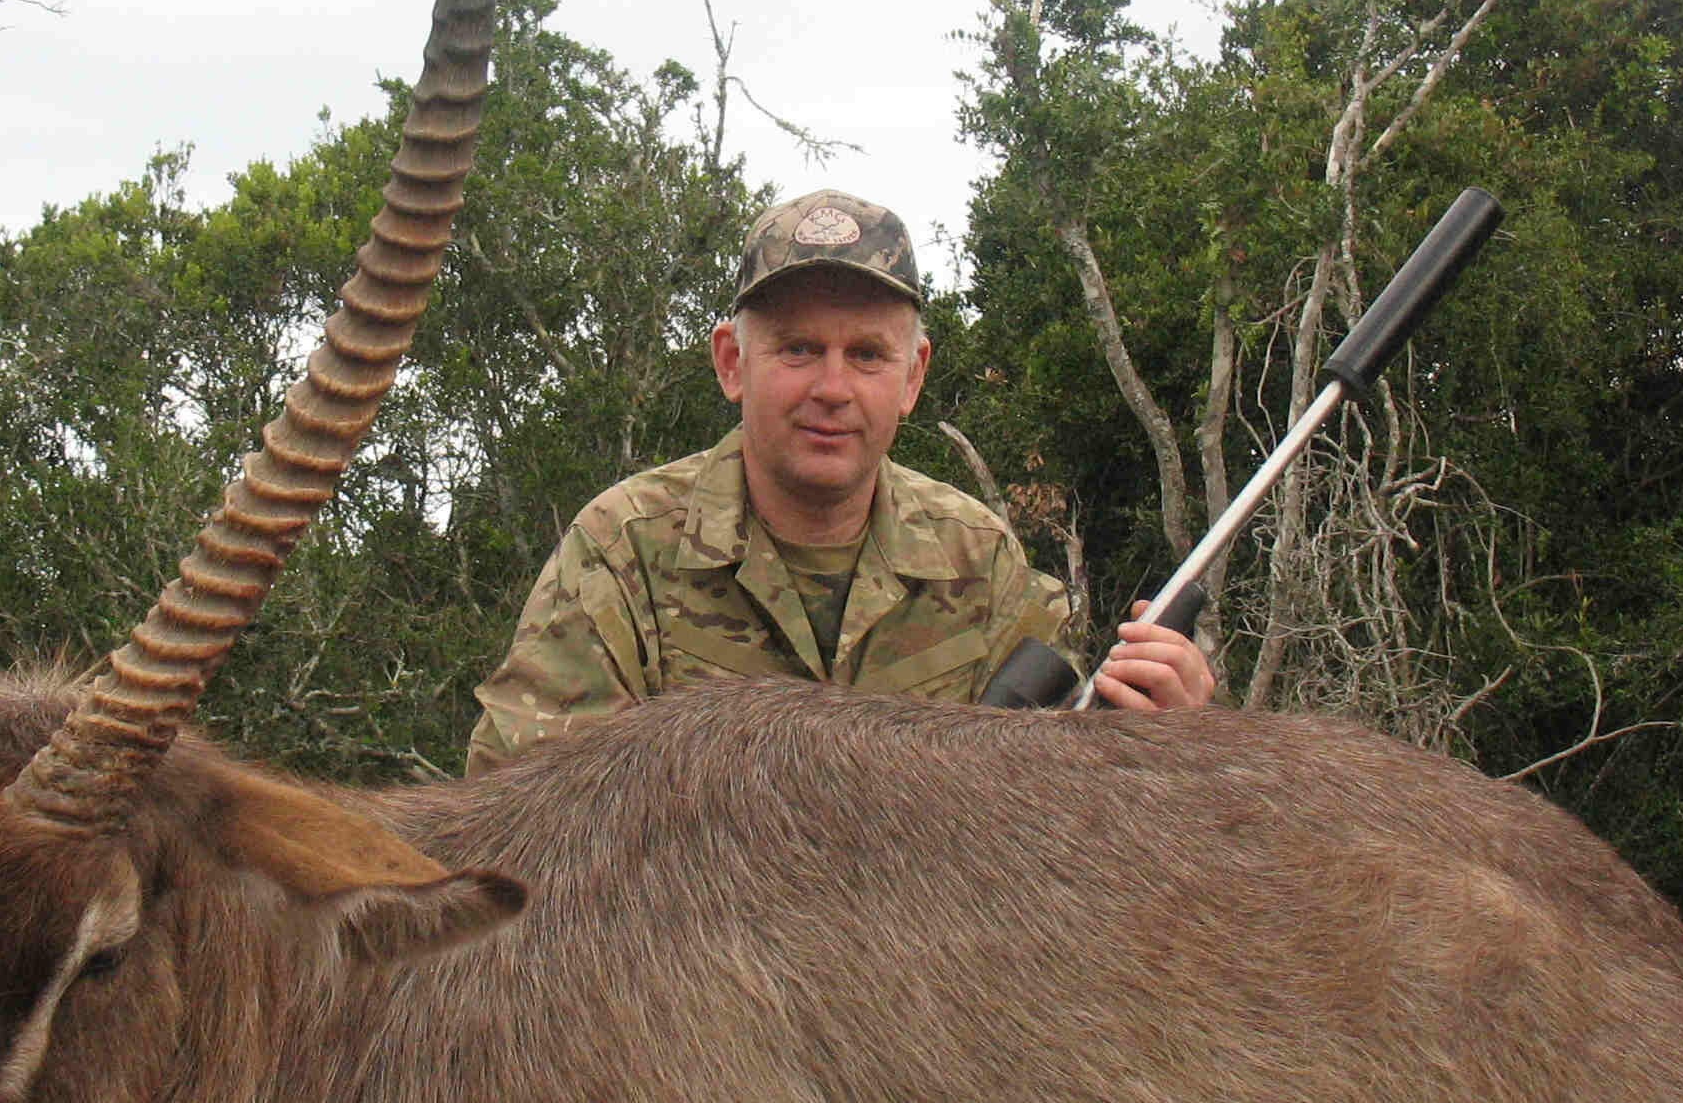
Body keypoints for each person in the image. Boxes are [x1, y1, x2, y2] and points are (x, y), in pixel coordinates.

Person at [465, 190, 1216, 777]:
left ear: (913, 376)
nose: (832, 387)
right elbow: (525, 813)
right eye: (797, 349)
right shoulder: (620, 548)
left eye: (866, 355)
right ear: (732, 361)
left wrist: (1163, 745)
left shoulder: (979, 559)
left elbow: (1064, 816)